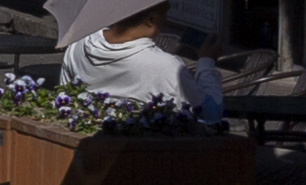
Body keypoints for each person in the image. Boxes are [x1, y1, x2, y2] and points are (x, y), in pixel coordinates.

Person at [57, 8, 224, 123]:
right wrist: (207, 62)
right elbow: (211, 113)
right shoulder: (167, 67)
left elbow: (64, 96)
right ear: (151, 19)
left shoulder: (78, 45)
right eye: (165, 12)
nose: (165, 20)